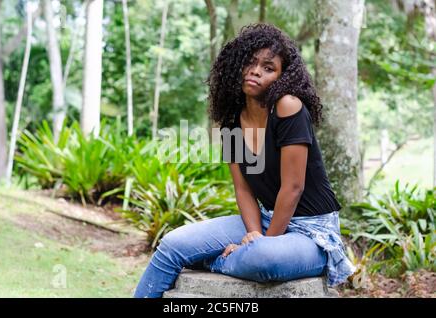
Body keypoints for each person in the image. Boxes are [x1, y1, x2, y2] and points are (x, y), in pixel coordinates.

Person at [134, 23, 355, 298]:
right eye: (250, 63)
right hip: (265, 220)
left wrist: (259, 244)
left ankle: (213, 260)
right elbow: (244, 190)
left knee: (262, 256)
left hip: (311, 233)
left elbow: (293, 187)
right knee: (172, 244)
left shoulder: (288, 107)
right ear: (237, 66)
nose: (255, 71)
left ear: (283, 77)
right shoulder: (231, 123)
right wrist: (253, 234)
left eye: (268, 67)